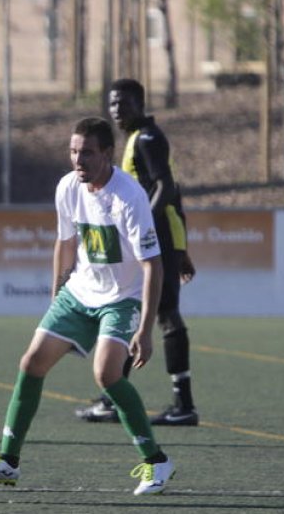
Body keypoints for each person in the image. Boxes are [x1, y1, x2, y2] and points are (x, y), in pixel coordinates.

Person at [0, 117, 174, 496]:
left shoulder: (130, 196)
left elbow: (152, 264)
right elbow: (65, 242)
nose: (79, 159)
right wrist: (56, 291)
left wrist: (145, 329)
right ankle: (7, 462)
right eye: (74, 151)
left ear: (108, 154)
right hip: (78, 293)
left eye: (87, 152)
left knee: (107, 374)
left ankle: (156, 462)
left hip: (122, 298)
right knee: (31, 362)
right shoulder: (67, 187)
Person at [75, 78, 200, 426]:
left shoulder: (147, 138)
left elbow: (165, 186)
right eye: (113, 104)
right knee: (137, 310)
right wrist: (181, 245)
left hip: (155, 234)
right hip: (162, 235)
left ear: (140, 104)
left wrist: (145, 227)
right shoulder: (137, 138)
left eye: (124, 103)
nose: (117, 109)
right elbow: (174, 190)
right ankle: (114, 396)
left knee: (164, 314)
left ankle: (183, 405)